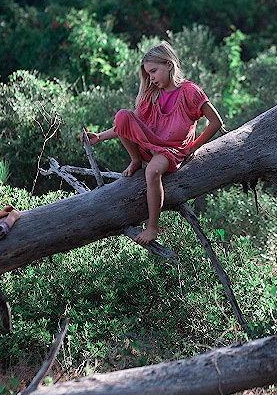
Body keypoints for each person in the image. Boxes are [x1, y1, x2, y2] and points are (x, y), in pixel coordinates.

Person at [86, 42, 223, 245]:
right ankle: (135, 160)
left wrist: (194, 147)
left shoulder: (190, 91)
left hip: (172, 151)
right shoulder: (152, 94)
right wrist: (99, 137)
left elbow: (216, 123)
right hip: (150, 144)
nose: (150, 78)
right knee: (123, 116)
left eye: (153, 72)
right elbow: (128, 125)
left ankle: (152, 227)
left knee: (152, 172)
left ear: (169, 65)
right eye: (148, 74)